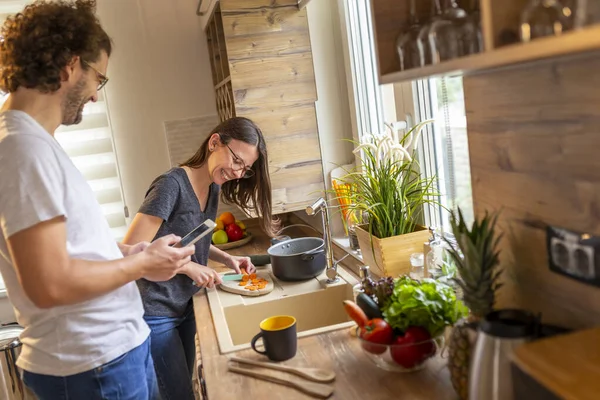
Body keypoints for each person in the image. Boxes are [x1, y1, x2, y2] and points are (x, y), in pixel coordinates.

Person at [0, 1, 196, 399]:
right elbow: (49, 283)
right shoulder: (23, 149)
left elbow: (69, 254)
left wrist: (128, 253)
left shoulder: (35, 144)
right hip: (95, 365)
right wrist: (141, 263)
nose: (94, 96)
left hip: (107, 357)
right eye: (99, 79)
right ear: (71, 66)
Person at [123, 116, 276, 399]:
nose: (239, 172)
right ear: (215, 142)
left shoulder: (213, 187)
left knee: (184, 390)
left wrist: (226, 259)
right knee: (179, 394)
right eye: (236, 160)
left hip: (184, 306)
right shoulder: (171, 186)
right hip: (155, 311)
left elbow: (191, 239)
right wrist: (189, 267)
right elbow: (133, 248)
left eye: (246, 168)